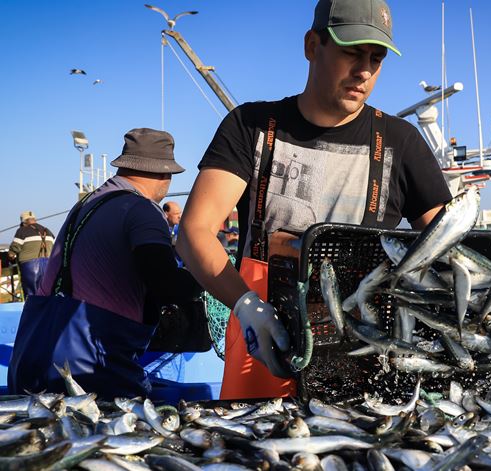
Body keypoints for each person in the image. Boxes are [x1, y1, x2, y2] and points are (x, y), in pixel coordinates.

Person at [177, 0, 452, 399]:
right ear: (312, 45)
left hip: (365, 354)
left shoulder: (401, 142)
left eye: (376, 59)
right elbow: (194, 231)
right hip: (264, 346)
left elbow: (447, 248)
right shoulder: (250, 126)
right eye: (351, 52)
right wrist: (246, 306)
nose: (364, 71)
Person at [8, 128, 199, 399]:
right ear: (164, 174)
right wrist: (204, 278)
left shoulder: (88, 203)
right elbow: (166, 284)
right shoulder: (142, 210)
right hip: (92, 365)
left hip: (33, 357)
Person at [8, 211, 55, 298]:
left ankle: (32, 311)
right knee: (46, 294)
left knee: (31, 295)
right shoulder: (48, 231)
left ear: (23, 222)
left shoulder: (22, 230)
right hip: (48, 266)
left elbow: (12, 252)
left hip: (30, 267)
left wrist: (10, 257)